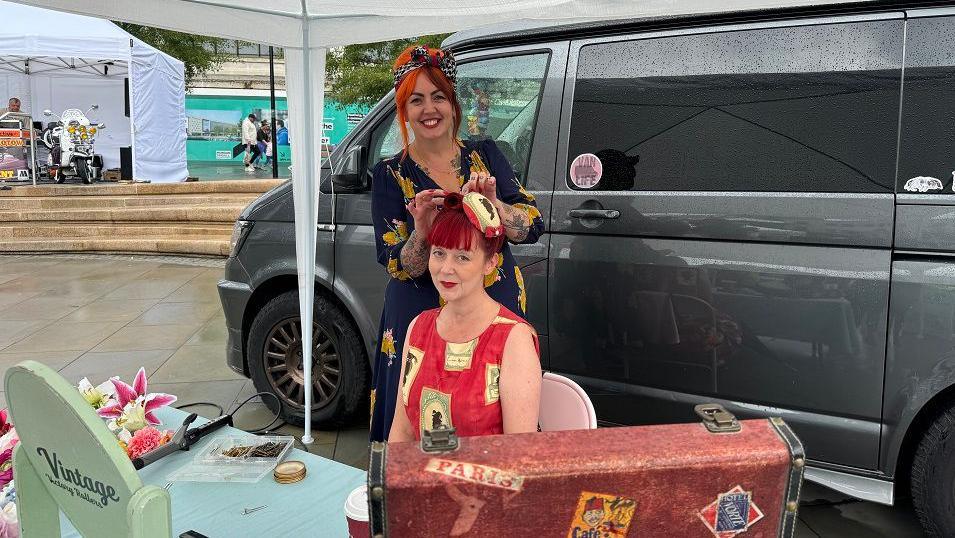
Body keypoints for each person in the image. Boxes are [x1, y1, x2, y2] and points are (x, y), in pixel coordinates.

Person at [369, 45, 545, 441]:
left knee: (494, 413)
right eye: (416, 100)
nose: (429, 109)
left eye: (438, 97)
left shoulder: (485, 155)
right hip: (419, 309)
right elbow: (398, 264)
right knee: (415, 420)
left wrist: (496, 206)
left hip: (491, 299)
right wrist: (422, 231)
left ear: (452, 104)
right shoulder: (389, 174)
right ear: (404, 111)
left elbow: (532, 224)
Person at [388, 191, 541, 442]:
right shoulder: (419, 327)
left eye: (463, 256)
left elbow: (518, 454)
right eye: (439, 253)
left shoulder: (513, 339)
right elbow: (402, 430)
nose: (446, 269)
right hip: (423, 476)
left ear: (490, 263)